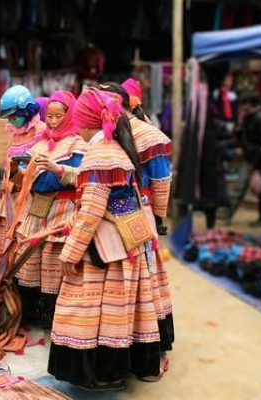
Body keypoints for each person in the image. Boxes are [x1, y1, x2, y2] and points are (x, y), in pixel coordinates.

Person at [48, 88, 163, 391]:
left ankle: (104, 375)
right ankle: (128, 368)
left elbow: (91, 213)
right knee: (123, 311)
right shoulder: (116, 149)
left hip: (106, 247)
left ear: (85, 123)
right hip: (127, 241)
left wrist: (69, 254)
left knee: (95, 312)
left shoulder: (100, 156)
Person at [105, 79, 174, 368]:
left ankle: (147, 348)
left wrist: (158, 216)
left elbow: (161, 179)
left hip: (138, 215)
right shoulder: (106, 133)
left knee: (142, 282)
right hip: (116, 218)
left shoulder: (147, 134)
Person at [13, 90, 87, 327]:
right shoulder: (41, 143)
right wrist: (16, 174)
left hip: (63, 208)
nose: (53, 121)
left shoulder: (78, 143)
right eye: (50, 116)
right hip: (38, 208)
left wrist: (56, 170)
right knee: (31, 258)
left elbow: (82, 177)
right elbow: (27, 179)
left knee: (55, 260)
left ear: (70, 115)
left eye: (59, 116)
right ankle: (33, 311)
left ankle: (55, 316)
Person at [0, 85, 46, 255]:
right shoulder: (14, 133)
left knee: (23, 248)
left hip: (30, 198)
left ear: (28, 112)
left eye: (14, 118)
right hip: (11, 196)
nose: (11, 122)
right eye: (9, 119)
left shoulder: (41, 131)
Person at [237, 92, 261, 226]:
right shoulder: (247, 118)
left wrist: (258, 162)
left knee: (259, 189)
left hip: (257, 160)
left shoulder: (260, 119)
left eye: (244, 104)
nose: (242, 107)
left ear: (250, 104)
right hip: (250, 157)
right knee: (243, 187)